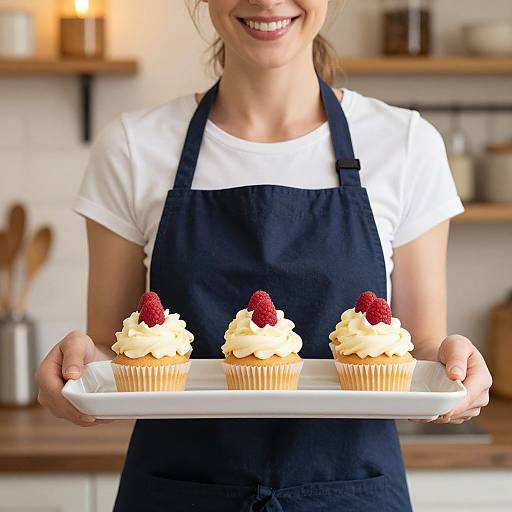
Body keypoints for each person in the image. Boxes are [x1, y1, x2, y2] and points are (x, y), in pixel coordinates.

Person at [35, 1, 492, 510]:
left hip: (352, 491)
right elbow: (111, 354)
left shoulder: (406, 144)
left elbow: (423, 350)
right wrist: (75, 363)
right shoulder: (132, 146)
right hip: (177, 492)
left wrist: (456, 367)